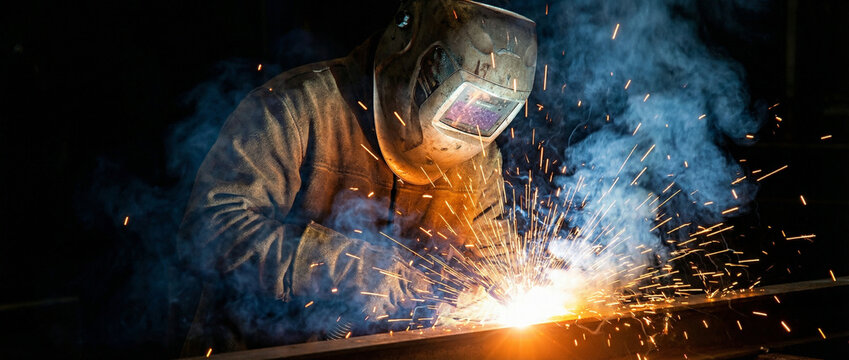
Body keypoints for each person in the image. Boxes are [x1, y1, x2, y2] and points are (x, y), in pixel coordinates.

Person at [178, 0, 537, 354]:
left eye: (486, 112)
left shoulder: (479, 158)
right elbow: (211, 229)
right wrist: (349, 269)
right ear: (414, 57)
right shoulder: (297, 107)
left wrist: (479, 293)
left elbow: (491, 256)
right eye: (463, 102)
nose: (469, 122)